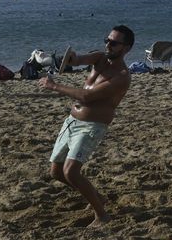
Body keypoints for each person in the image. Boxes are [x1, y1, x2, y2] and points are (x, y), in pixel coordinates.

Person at [38, 25, 134, 227]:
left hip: (92, 125)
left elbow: (87, 96)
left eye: (114, 42)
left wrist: (53, 86)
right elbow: (78, 59)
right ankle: (97, 197)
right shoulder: (99, 57)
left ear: (126, 48)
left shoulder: (122, 76)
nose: (108, 44)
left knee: (71, 172)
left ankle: (102, 216)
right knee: (56, 172)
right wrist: (71, 58)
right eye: (107, 40)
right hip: (72, 122)